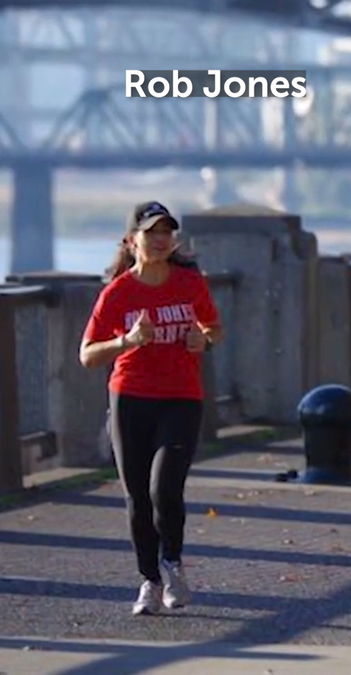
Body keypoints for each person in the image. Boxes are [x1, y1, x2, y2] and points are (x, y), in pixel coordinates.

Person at [79, 201, 223, 616]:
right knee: (138, 496)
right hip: (130, 398)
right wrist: (127, 341)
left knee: (165, 487)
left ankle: (172, 565)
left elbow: (214, 327)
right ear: (131, 241)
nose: (160, 240)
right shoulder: (119, 292)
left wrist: (205, 340)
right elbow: (87, 355)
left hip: (181, 397)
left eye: (167, 232)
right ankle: (149, 581)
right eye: (151, 232)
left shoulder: (190, 283)